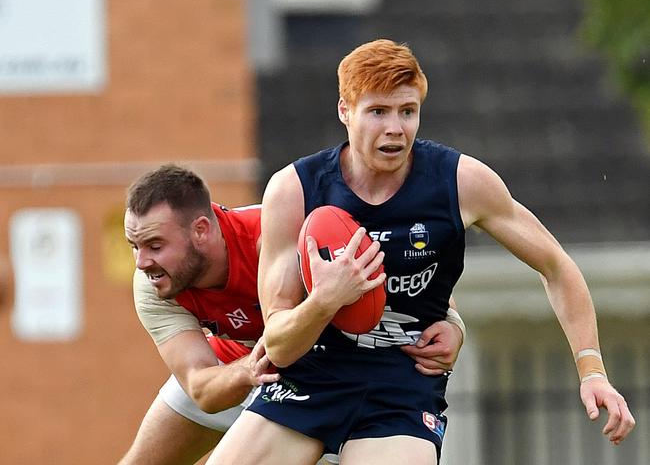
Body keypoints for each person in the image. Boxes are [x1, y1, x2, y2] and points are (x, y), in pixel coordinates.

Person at [208, 39, 636, 465]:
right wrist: (326, 299)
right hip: (309, 376)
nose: (396, 128)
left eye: (407, 111)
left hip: (401, 384)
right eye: (378, 112)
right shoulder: (294, 190)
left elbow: (556, 266)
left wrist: (591, 369)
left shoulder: (460, 182)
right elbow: (279, 347)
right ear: (345, 111)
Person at [119, 164, 467, 465]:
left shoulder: (282, 230)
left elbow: (397, 274)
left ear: (200, 230)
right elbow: (201, 388)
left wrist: (453, 323)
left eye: (155, 245)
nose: (141, 262)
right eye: (135, 246)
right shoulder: (153, 284)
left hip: (320, 377)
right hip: (241, 369)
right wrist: (249, 370)